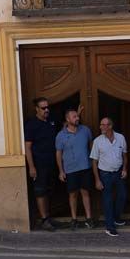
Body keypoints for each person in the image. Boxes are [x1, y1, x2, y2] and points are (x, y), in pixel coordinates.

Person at [23, 97, 59, 231]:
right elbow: (27, 147)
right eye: (43, 108)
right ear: (36, 109)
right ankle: (44, 219)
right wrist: (31, 167)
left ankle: (48, 217)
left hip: (52, 163)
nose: (46, 110)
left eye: (47, 107)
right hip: (39, 164)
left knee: (49, 190)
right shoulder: (31, 125)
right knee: (40, 191)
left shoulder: (51, 121)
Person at [55, 106, 95, 227]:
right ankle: (74, 219)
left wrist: (93, 162)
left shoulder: (85, 130)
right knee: (72, 194)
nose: (77, 118)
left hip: (85, 167)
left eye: (77, 116)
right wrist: (61, 171)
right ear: (67, 119)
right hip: (70, 169)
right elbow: (58, 154)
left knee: (85, 192)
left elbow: (92, 146)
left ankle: (89, 218)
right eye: (74, 117)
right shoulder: (61, 135)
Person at [90, 116, 128, 237]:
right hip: (105, 174)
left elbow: (125, 155)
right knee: (107, 200)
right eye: (101, 124)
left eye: (103, 125)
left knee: (122, 195)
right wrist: (97, 180)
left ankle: (116, 217)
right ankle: (110, 227)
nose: (101, 127)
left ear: (110, 126)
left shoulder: (120, 138)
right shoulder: (97, 141)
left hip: (118, 173)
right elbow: (94, 162)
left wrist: (125, 169)